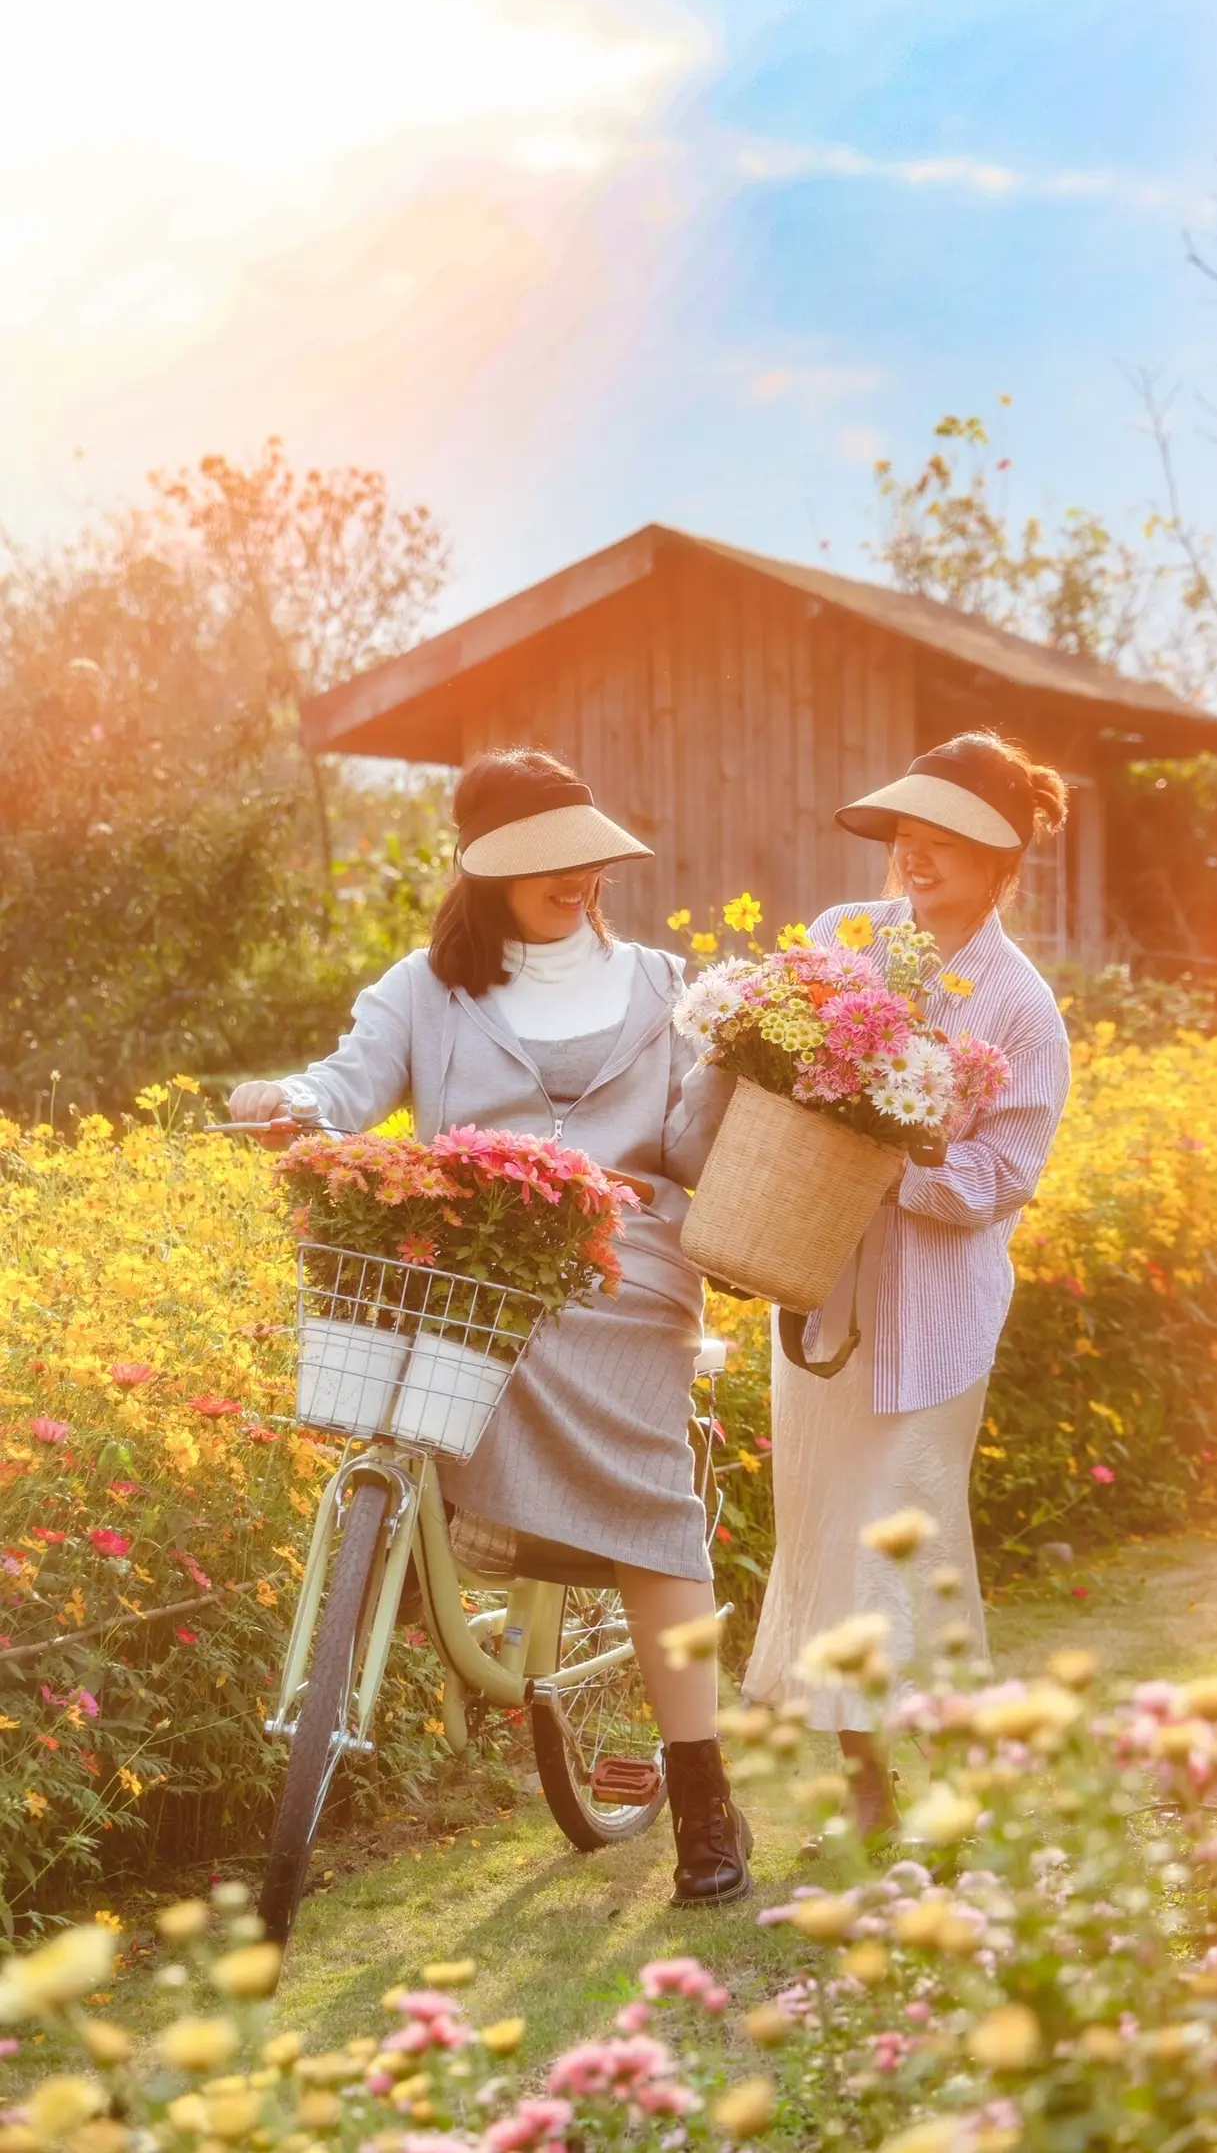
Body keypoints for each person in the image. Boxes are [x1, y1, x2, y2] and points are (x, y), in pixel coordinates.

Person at [230, 747, 751, 1906]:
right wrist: (295, 1104)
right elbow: (346, 1085)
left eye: (587, 858)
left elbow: (700, 1152)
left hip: (627, 1276)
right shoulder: (423, 988)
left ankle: (704, 1796)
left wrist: (759, 1060)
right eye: (545, 864)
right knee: (418, 1348)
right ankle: (425, 1541)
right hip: (474, 1271)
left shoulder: (672, 988)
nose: (578, 879)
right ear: (486, 873)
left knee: (656, 1519)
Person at [743, 730, 1072, 1838]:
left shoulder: (1021, 1008)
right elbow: (784, 1067)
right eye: (908, 837)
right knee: (829, 1529)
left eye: (948, 842)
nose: (916, 857)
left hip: (932, 1318)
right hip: (823, 1289)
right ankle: (869, 1762)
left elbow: (1004, 1175)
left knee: (901, 1532)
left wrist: (902, 1157)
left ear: (1001, 864)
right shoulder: (846, 939)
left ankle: (900, 1764)